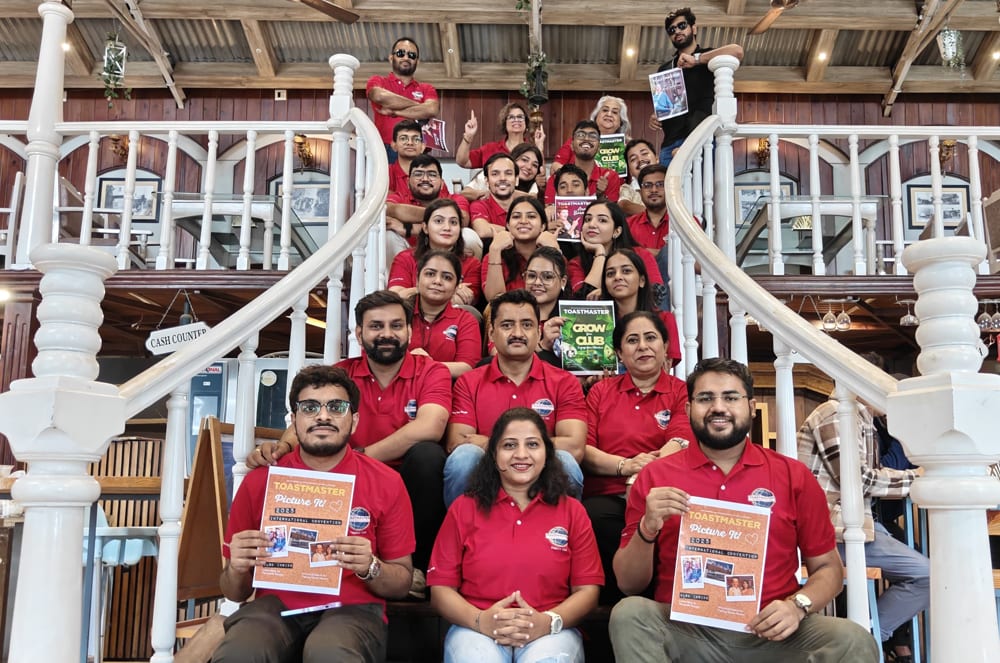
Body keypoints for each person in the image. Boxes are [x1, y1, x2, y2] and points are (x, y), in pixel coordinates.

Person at [609, 358, 880, 662]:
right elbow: (629, 584)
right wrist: (647, 527)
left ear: (751, 407)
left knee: (852, 639)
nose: (718, 407)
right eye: (705, 398)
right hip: (689, 631)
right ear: (688, 410)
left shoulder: (792, 475)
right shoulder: (655, 477)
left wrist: (798, 605)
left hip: (772, 633)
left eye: (731, 397)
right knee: (629, 614)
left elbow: (828, 569)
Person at [250, 291, 450, 596]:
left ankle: (415, 570)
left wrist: (363, 456)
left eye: (396, 325)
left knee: (428, 457)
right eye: (375, 326)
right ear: (359, 333)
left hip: (405, 480)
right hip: (349, 481)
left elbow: (430, 426)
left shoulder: (431, 371)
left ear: (410, 331)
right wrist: (283, 447)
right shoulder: (341, 374)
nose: (386, 334)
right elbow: (310, 416)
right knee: (314, 460)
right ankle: (307, 569)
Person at [213, 365, 415, 663]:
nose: (323, 416)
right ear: (294, 421)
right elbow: (233, 591)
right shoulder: (260, 481)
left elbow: (402, 582)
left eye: (337, 407)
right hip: (274, 607)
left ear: (354, 420)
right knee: (241, 651)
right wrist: (236, 569)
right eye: (309, 407)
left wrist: (370, 566)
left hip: (352, 608)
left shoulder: (386, 481)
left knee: (329, 653)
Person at [427, 408, 603, 663]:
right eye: (509, 445)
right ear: (494, 455)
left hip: (552, 629)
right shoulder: (463, 508)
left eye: (532, 444)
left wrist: (546, 622)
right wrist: (481, 621)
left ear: (547, 453)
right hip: (475, 626)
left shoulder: (572, 511)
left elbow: (587, 592)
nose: (521, 454)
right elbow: (441, 590)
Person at [797, 366, 929, 663]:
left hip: (849, 524)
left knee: (923, 569)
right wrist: (917, 478)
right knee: (926, 574)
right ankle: (866, 637)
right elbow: (858, 479)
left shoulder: (860, 419)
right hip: (834, 528)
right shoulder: (836, 413)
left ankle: (864, 636)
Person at [582, 311, 693, 603]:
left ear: (665, 346)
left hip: (660, 490)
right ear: (619, 352)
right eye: (632, 340)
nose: (642, 346)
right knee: (593, 517)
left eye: (650, 338)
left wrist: (642, 475)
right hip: (608, 493)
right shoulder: (600, 392)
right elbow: (585, 450)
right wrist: (626, 466)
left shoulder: (682, 392)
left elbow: (680, 441)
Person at [444, 290, 587, 506]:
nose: (518, 332)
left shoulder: (564, 381)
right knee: (464, 459)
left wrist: (499, 444)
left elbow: (574, 447)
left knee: (566, 462)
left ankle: (557, 535)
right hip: (487, 473)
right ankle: (463, 532)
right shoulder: (468, 382)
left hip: (541, 472)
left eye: (527, 325)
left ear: (539, 334)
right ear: (491, 334)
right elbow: (458, 442)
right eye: (507, 325)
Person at [653, 8, 744, 167]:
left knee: (702, 190)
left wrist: (698, 59)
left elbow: (737, 51)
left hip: (701, 138)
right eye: (672, 30)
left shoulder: (709, 56)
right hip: (669, 144)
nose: (677, 31)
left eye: (682, 25)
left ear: (693, 28)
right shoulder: (665, 69)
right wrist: (656, 115)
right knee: (668, 191)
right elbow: (667, 105)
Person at [388, 197, 481, 305]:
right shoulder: (406, 258)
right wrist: (451, 290)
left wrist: (413, 292)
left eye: (453, 222)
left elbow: (463, 301)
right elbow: (396, 297)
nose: (447, 227)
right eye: (439, 221)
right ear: (425, 227)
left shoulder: (472, 263)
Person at [599, 249, 681, 367]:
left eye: (626, 271)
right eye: (610, 274)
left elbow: (666, 367)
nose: (617, 277)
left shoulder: (664, 319)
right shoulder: (596, 322)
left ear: (642, 280)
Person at [408, 250, 483, 378]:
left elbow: (468, 367)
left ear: (456, 286)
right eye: (430, 274)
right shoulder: (398, 314)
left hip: (447, 391)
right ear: (417, 279)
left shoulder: (465, 320)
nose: (437, 281)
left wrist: (426, 365)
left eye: (447, 277)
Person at [568, 200, 662, 298]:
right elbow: (583, 303)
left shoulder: (640, 254)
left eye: (602, 220)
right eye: (587, 219)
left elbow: (657, 294)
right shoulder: (576, 263)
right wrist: (600, 253)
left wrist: (609, 294)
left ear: (617, 231)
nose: (591, 224)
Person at [366, 38, 439, 163]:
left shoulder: (426, 88)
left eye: (411, 55)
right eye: (400, 53)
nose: (406, 57)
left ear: (417, 61)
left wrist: (395, 111)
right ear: (391, 58)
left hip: (415, 149)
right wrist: (419, 107)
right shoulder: (378, 81)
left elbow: (431, 109)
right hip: (384, 148)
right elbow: (379, 96)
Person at [385, 153, 470, 259]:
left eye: (432, 175)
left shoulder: (455, 199)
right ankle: (399, 275)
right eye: (418, 174)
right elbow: (388, 209)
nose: (425, 179)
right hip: (407, 256)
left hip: (448, 257)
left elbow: (462, 219)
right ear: (408, 182)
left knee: (469, 235)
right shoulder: (400, 197)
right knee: (388, 236)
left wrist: (407, 228)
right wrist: (443, 217)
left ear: (442, 183)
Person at [482, 196, 559, 302]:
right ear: (508, 225)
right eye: (516, 216)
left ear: (542, 226)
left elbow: (560, 297)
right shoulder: (493, 256)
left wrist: (554, 252)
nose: (523, 221)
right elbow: (494, 301)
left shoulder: (556, 253)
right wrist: (495, 250)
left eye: (531, 216)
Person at [543, 120, 621, 205]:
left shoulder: (610, 177)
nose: (586, 139)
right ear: (572, 145)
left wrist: (600, 196)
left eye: (593, 136)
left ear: (599, 147)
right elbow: (549, 209)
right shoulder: (557, 177)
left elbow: (612, 214)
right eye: (581, 135)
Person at [628, 164, 672, 310]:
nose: (654, 190)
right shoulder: (628, 224)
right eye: (648, 185)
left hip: (678, 292)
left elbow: (699, 265)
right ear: (640, 191)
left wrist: (651, 253)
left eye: (660, 184)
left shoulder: (685, 223)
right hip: (638, 290)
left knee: (667, 254)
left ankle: (661, 315)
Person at [552, 96, 632, 171]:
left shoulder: (627, 148)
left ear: (621, 122)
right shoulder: (578, 141)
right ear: (596, 116)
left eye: (615, 112)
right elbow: (556, 166)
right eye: (605, 110)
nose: (609, 114)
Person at [456, 102, 545, 170]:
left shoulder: (531, 150)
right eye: (511, 117)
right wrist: (468, 136)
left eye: (520, 117)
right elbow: (462, 162)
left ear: (526, 123)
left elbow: (541, 176)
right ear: (504, 123)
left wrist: (540, 148)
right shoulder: (489, 149)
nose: (516, 120)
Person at [462, 143, 546, 202]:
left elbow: (532, 198)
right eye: (524, 160)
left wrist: (495, 193)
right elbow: (464, 193)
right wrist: (482, 193)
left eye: (535, 165)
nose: (528, 167)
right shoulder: (492, 173)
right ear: (513, 159)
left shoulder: (534, 184)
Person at [470, 153, 519, 240]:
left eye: (508, 173)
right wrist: (521, 233)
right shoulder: (479, 206)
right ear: (486, 181)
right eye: (495, 174)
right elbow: (482, 230)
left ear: (516, 180)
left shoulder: (526, 206)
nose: (503, 178)